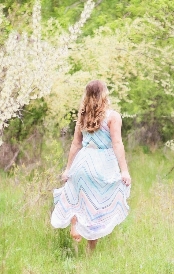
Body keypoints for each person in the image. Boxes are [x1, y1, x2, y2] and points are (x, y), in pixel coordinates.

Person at [51, 80, 131, 253]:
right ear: (104, 95)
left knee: (78, 199)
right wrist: (124, 170)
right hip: (101, 165)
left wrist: (68, 169)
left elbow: (75, 144)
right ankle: (90, 253)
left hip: (82, 162)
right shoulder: (113, 117)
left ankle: (74, 220)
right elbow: (117, 144)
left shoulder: (83, 115)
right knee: (97, 208)